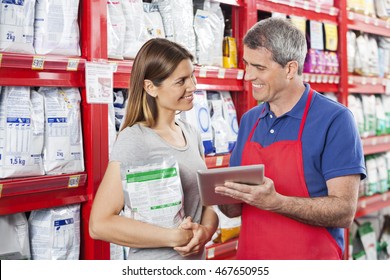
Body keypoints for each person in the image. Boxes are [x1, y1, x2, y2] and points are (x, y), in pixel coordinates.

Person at [215, 17, 366, 260]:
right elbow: (233, 209)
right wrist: (220, 194)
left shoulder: (335, 120)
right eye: (246, 64)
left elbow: (344, 211)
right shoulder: (249, 120)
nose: (247, 76)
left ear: (290, 69)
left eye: (259, 68)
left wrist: (276, 202)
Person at [89, 38, 218, 260]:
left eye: (192, 76)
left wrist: (205, 232)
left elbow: (207, 206)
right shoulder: (136, 139)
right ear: (150, 87)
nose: (193, 86)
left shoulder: (191, 133)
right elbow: (99, 224)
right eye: (181, 81)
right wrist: (174, 237)